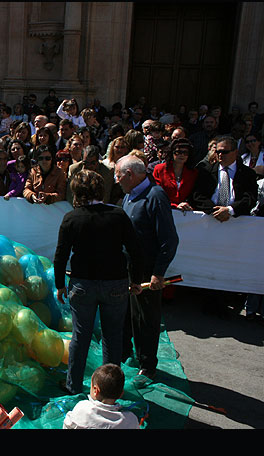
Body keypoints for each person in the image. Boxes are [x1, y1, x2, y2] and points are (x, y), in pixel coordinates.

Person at [54, 169, 143, 395]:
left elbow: (61, 255)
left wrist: (59, 284)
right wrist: (137, 280)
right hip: (115, 283)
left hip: (83, 284)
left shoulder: (72, 218)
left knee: (80, 336)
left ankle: (73, 385)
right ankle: (109, 390)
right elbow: (135, 250)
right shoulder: (118, 215)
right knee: (112, 337)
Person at [115, 154, 179, 380]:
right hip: (129, 268)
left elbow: (169, 240)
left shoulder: (155, 195)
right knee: (126, 316)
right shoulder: (129, 195)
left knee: (146, 319)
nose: (117, 181)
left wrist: (158, 272)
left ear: (129, 175)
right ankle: (123, 355)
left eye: (118, 176)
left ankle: (147, 365)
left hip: (147, 271)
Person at [190, 135, 258, 221]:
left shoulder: (247, 173)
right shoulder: (206, 172)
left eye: (224, 152)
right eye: (218, 152)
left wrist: (230, 210)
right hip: (210, 219)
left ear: (236, 152)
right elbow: (198, 196)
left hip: (237, 221)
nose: (220, 155)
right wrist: (216, 211)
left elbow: (250, 197)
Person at [62, 363, 141, 429]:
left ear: (95, 390)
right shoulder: (130, 420)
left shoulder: (82, 409)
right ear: (121, 394)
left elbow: (67, 425)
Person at [152, 138, 198, 211]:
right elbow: (157, 194)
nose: (182, 155)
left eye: (185, 153)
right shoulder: (159, 169)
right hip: (163, 209)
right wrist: (174, 205)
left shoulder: (193, 172)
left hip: (185, 212)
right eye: (178, 152)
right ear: (172, 153)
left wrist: (186, 205)